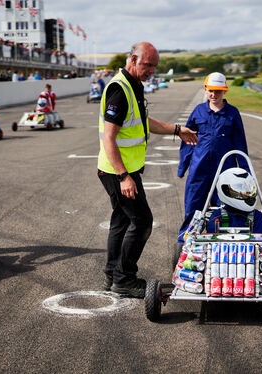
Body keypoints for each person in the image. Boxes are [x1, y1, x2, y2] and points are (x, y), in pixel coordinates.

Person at [97, 41, 198, 298]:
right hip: (119, 171)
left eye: (155, 65)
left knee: (121, 221)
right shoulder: (120, 90)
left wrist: (177, 129)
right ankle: (124, 279)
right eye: (147, 64)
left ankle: (112, 275)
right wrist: (123, 176)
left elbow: (144, 122)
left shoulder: (134, 86)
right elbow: (109, 137)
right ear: (133, 59)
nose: (152, 70)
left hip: (122, 170)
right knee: (142, 222)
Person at [177, 72, 249, 244]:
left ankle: (225, 241)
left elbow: (240, 144)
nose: (213, 95)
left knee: (226, 207)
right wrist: (183, 167)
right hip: (199, 169)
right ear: (205, 89)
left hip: (225, 170)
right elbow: (187, 142)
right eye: (210, 90)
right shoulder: (198, 111)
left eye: (218, 91)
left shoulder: (232, 113)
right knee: (193, 206)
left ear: (225, 91)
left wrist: (246, 171)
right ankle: (186, 241)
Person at [204, 167, 262, 234]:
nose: (246, 193)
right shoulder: (217, 216)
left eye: (248, 189)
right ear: (226, 191)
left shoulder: (257, 217)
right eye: (240, 189)